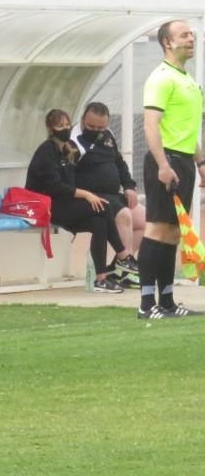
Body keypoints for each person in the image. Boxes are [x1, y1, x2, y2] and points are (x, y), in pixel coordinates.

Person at [25, 110, 133, 293]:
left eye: (67, 125)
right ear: (50, 128)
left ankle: (101, 279)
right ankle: (124, 256)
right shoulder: (47, 150)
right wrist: (85, 195)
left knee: (99, 223)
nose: (65, 129)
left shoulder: (66, 150)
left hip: (63, 206)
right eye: (60, 126)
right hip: (45, 207)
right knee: (103, 207)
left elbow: (69, 184)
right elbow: (54, 187)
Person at [137, 20, 203, 318]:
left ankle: (166, 301)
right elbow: (151, 124)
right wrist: (163, 164)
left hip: (183, 161)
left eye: (191, 34)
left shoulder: (187, 79)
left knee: (174, 232)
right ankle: (146, 304)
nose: (192, 38)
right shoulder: (161, 78)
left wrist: (200, 162)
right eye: (184, 35)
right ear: (167, 42)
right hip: (166, 161)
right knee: (157, 228)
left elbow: (188, 128)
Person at [72, 102, 143, 288]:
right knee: (124, 215)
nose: (96, 131)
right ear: (82, 120)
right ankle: (126, 266)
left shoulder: (108, 134)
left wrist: (128, 186)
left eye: (100, 127)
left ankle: (119, 267)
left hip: (113, 194)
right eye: (91, 127)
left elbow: (119, 163)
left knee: (143, 219)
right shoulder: (73, 141)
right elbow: (67, 177)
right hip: (91, 196)